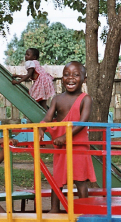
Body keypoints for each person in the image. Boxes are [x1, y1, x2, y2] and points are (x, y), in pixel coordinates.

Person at [38, 61, 96, 213]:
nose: (71, 78)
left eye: (76, 75)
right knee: (57, 179)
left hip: (78, 146)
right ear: (62, 78)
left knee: (80, 180)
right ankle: (54, 209)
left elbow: (82, 122)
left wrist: (65, 136)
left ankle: (85, 210)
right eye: (66, 75)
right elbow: (48, 117)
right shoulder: (57, 99)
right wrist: (41, 128)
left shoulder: (86, 98)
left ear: (84, 79)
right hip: (61, 147)